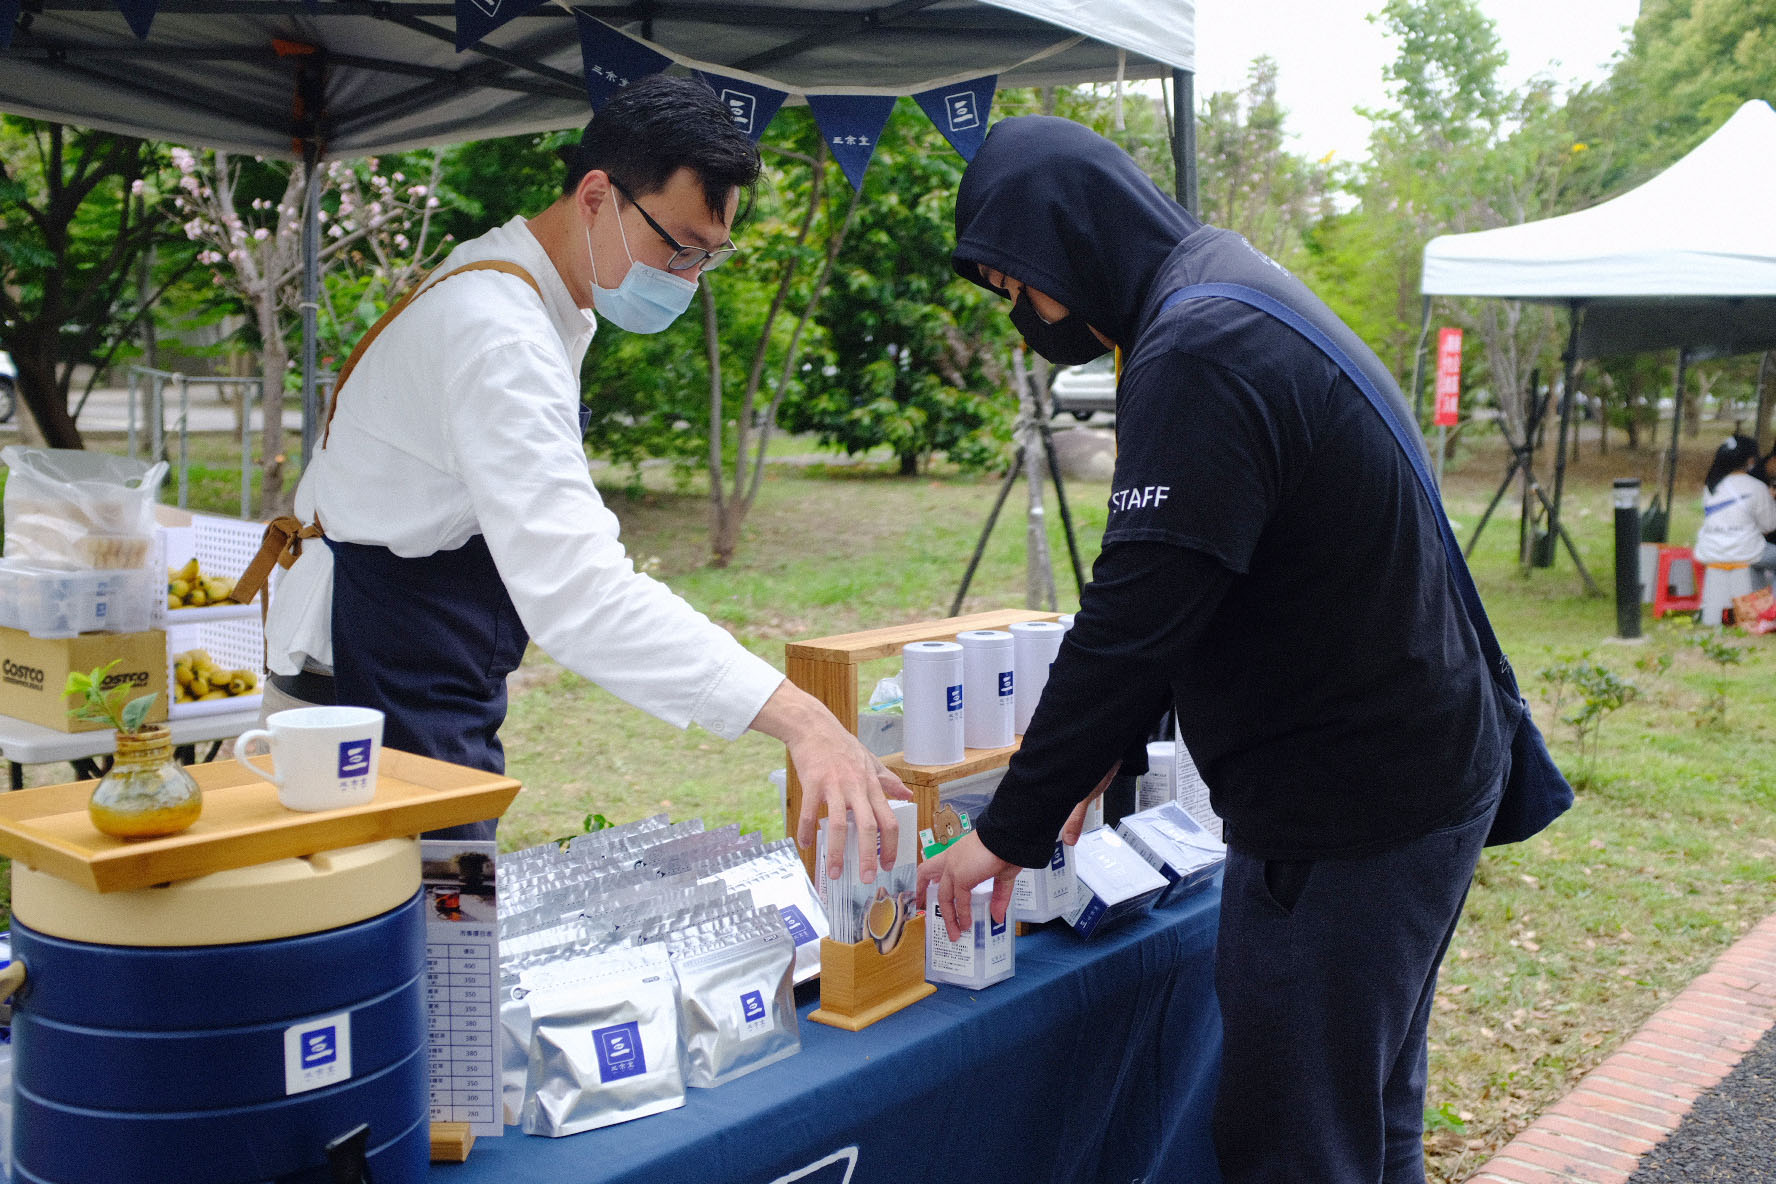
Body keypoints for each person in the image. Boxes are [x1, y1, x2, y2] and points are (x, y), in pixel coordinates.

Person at [915, 116, 1517, 1184]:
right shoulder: (1225, 285)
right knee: (1367, 1110)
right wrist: (1097, 759)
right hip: (1424, 759)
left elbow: (1133, 617)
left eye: (1018, 287)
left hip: (1349, 803)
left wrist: (1005, 829)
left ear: (1067, 245)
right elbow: (1206, 571)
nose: (1022, 319)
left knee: (1293, 1136)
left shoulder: (1197, 347)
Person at [255, 76, 907, 869]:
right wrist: (801, 719)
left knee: (438, 912)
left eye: (711, 256)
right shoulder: (502, 338)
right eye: (679, 247)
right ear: (597, 195)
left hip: (424, 643)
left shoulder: (531, 290)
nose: (690, 277)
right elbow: (579, 590)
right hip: (374, 674)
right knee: (420, 927)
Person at [1694, 434, 1776, 588]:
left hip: (1708, 549)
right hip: (1743, 550)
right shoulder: (1756, 487)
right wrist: (1770, 499)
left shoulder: (1711, 485)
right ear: (1750, 461)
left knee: (1756, 563)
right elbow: (1769, 526)